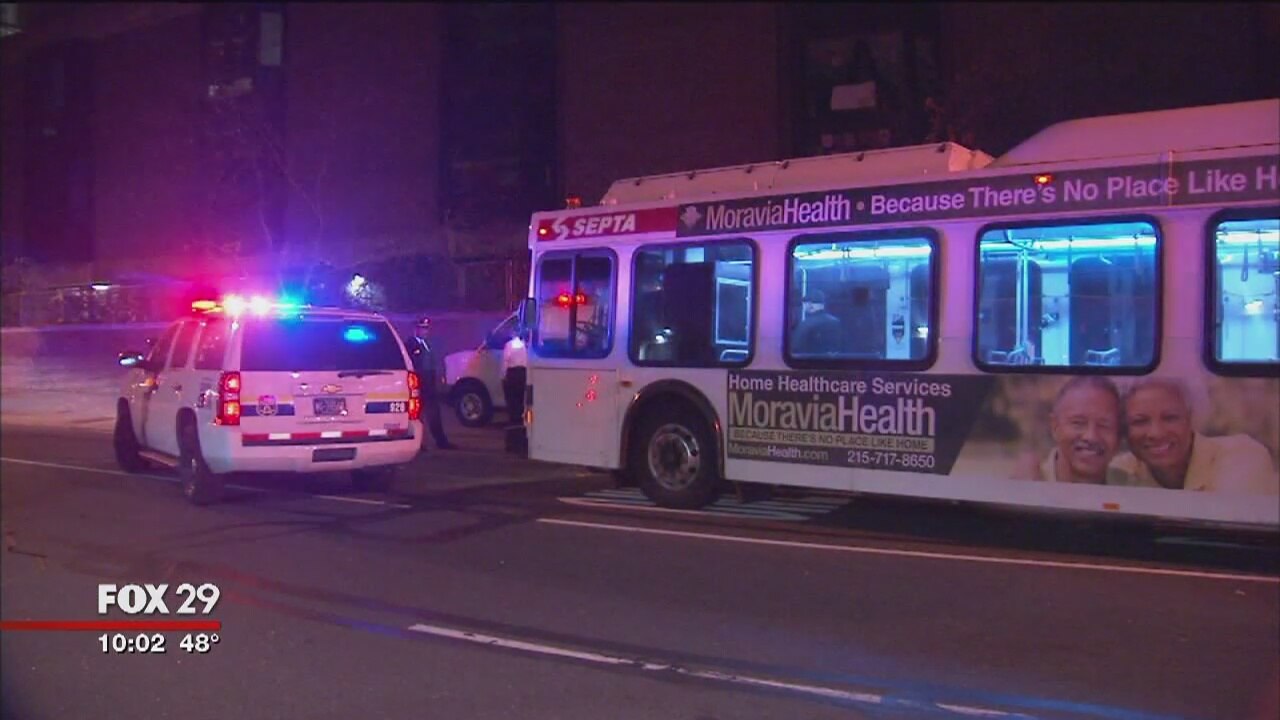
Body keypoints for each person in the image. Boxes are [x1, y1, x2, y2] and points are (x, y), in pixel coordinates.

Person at [1110, 377, 1278, 494]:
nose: (1156, 433)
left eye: (1170, 418)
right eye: (1140, 421)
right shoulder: (1121, 469)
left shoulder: (1243, 455)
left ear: (1190, 419)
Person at [1030, 375, 1129, 484]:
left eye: (1104, 425)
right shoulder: (1023, 484)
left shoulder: (1130, 486)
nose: (1091, 436)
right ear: (1055, 427)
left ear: (1119, 436)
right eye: (1078, 423)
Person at [408, 316, 454, 451]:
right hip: (419, 382)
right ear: (416, 329)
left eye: (426, 329)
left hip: (430, 382)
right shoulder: (410, 344)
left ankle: (441, 441)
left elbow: (433, 362)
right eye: (422, 329)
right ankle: (418, 443)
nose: (425, 331)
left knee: (434, 413)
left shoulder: (428, 344)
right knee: (418, 416)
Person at [791, 289, 843, 355]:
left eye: (805, 303)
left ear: (809, 304)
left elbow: (796, 348)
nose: (806, 305)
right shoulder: (836, 322)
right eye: (805, 303)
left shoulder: (806, 324)